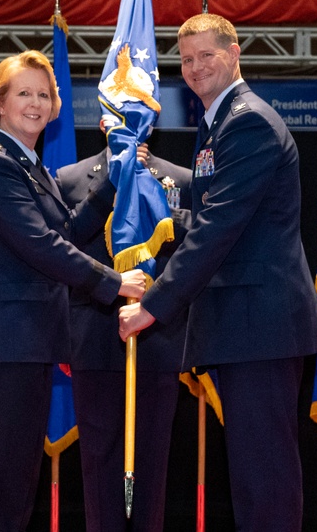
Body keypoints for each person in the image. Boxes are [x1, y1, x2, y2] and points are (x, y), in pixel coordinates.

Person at [118, 14, 317, 531]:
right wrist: (160, 210)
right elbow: (214, 216)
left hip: (261, 327)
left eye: (206, 55)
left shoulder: (247, 120)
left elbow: (217, 231)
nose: (194, 67)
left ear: (235, 53)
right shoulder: (219, 121)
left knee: (266, 482)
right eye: (186, 59)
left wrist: (152, 306)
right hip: (246, 328)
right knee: (253, 482)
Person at [0, 50, 146, 532]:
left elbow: (66, 228)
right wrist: (113, 282)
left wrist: (113, 175)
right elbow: (41, 246)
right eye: (24, 93)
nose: (36, 103)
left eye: (44, 94)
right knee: (3, 480)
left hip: (29, 341)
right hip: (8, 341)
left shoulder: (31, 167)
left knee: (19, 478)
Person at [55, 117, 192, 532]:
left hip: (157, 342)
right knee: (99, 468)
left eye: (140, 111)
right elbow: (62, 249)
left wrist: (152, 201)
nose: (132, 121)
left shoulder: (179, 179)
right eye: (122, 111)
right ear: (104, 120)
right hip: (95, 342)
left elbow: (196, 249)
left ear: (152, 121)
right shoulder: (72, 177)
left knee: (152, 465)